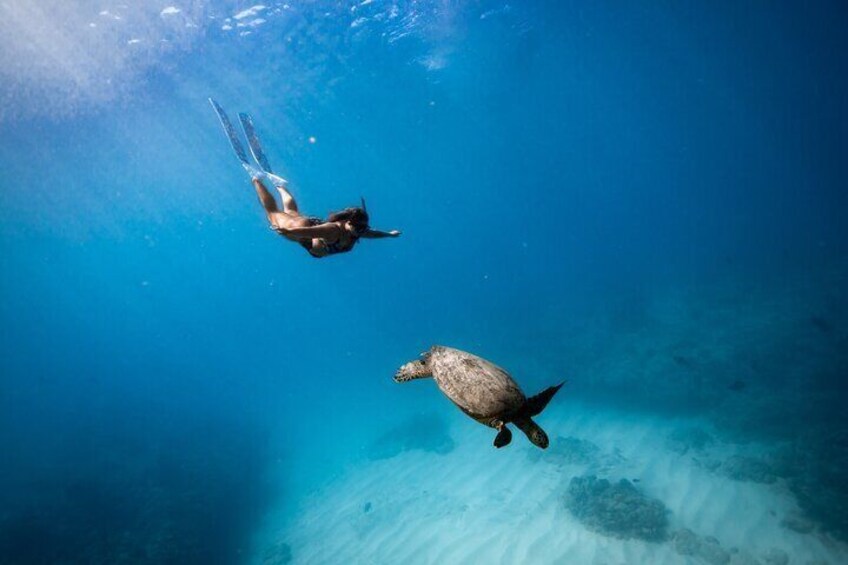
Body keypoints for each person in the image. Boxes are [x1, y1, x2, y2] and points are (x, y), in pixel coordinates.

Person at [251, 171, 401, 258]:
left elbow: (373, 234)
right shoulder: (333, 230)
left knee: (291, 212)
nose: (361, 232)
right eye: (359, 228)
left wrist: (390, 234)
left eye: (362, 229)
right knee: (273, 214)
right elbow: (309, 232)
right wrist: (288, 231)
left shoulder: (357, 231)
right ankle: (256, 179)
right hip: (303, 231)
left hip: (308, 229)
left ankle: (280, 186)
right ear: (348, 222)